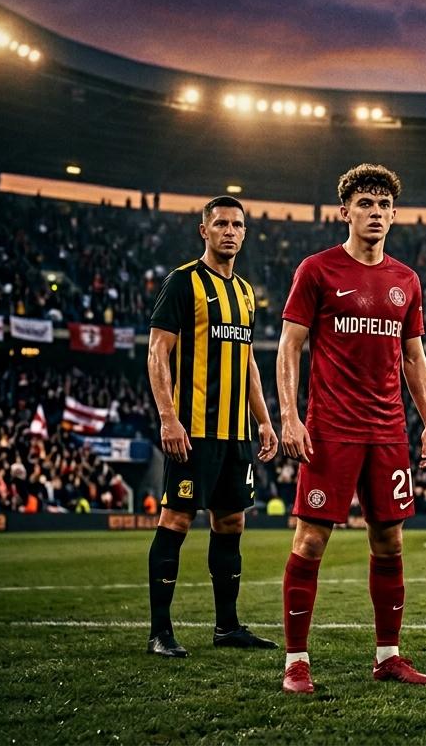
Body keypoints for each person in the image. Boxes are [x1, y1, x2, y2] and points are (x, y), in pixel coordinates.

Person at [276, 164, 426, 694]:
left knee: (390, 541)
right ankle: (296, 662)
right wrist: (289, 415)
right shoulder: (317, 270)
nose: (375, 212)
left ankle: (388, 656)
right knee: (310, 541)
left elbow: (413, 357)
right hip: (331, 430)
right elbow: (290, 346)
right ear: (344, 211)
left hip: (388, 432)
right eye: (365, 203)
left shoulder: (405, 280)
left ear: (394, 215)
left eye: (383, 204)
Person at [145, 195, 279, 658]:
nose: (229, 231)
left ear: (245, 233)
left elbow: (248, 363)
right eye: (220, 223)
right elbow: (157, 351)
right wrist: (168, 417)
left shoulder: (245, 292)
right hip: (194, 429)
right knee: (177, 519)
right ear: (204, 231)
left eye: (237, 225)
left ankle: (227, 627)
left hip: (236, 433)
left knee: (232, 521)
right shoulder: (183, 282)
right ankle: (160, 632)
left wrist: (264, 420)